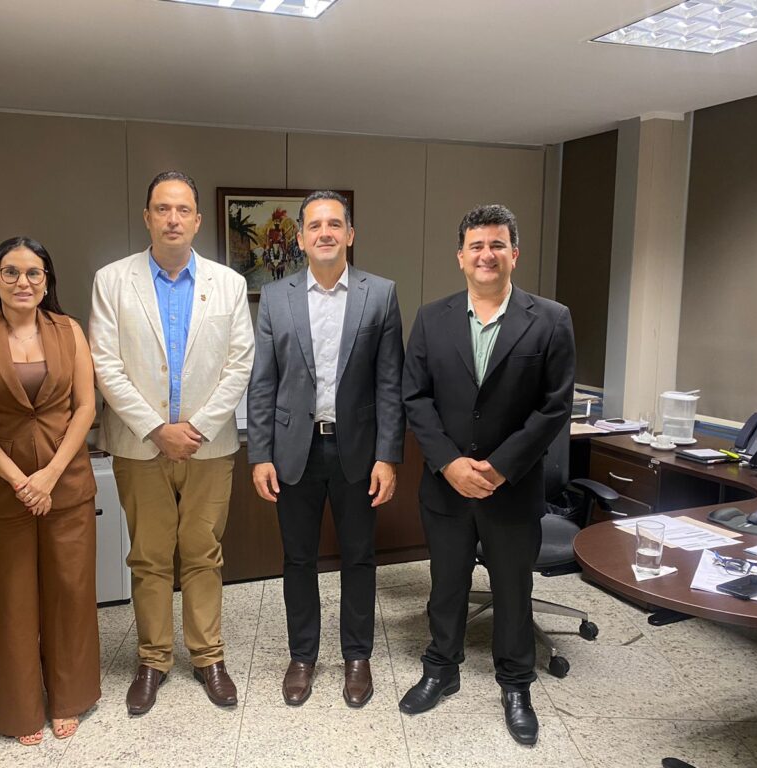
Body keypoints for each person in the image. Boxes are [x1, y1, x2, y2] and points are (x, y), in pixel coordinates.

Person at [399, 204, 575, 745]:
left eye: (497, 245)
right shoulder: (432, 318)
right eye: (476, 245)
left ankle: (516, 684)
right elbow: (415, 398)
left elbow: (554, 408)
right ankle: (441, 668)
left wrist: (500, 468)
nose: (486, 255)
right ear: (460, 256)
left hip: (512, 489)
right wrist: (450, 463)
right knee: (446, 585)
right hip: (446, 486)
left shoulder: (550, 319)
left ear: (514, 254)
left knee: (514, 591)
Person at [89, 171, 254, 715]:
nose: (173, 219)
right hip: (141, 446)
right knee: (149, 556)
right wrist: (157, 429)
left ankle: (209, 657)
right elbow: (106, 365)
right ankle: (153, 660)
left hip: (210, 447)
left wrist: (196, 428)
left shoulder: (228, 284)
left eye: (183, 210)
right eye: (162, 209)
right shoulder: (113, 280)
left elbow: (239, 365)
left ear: (198, 220)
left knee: (204, 553)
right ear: (147, 217)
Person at [248, 190, 404, 707]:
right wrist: (260, 454)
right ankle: (303, 657)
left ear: (350, 234)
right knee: (298, 559)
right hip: (295, 450)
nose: (325, 233)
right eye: (314, 225)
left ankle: (357, 657)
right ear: (300, 238)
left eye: (335, 224)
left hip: (357, 450)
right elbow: (263, 383)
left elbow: (389, 384)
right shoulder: (277, 298)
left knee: (359, 557)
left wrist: (388, 456)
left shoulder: (380, 295)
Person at [0, 236, 100, 746]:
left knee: (70, 594)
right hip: (0, 490)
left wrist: (50, 476)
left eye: (34, 272)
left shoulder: (68, 330)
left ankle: (70, 698)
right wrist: (20, 480)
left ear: (47, 280)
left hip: (67, 483)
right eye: (10, 272)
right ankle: (21, 710)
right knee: (11, 601)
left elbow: (85, 407)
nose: (22, 282)